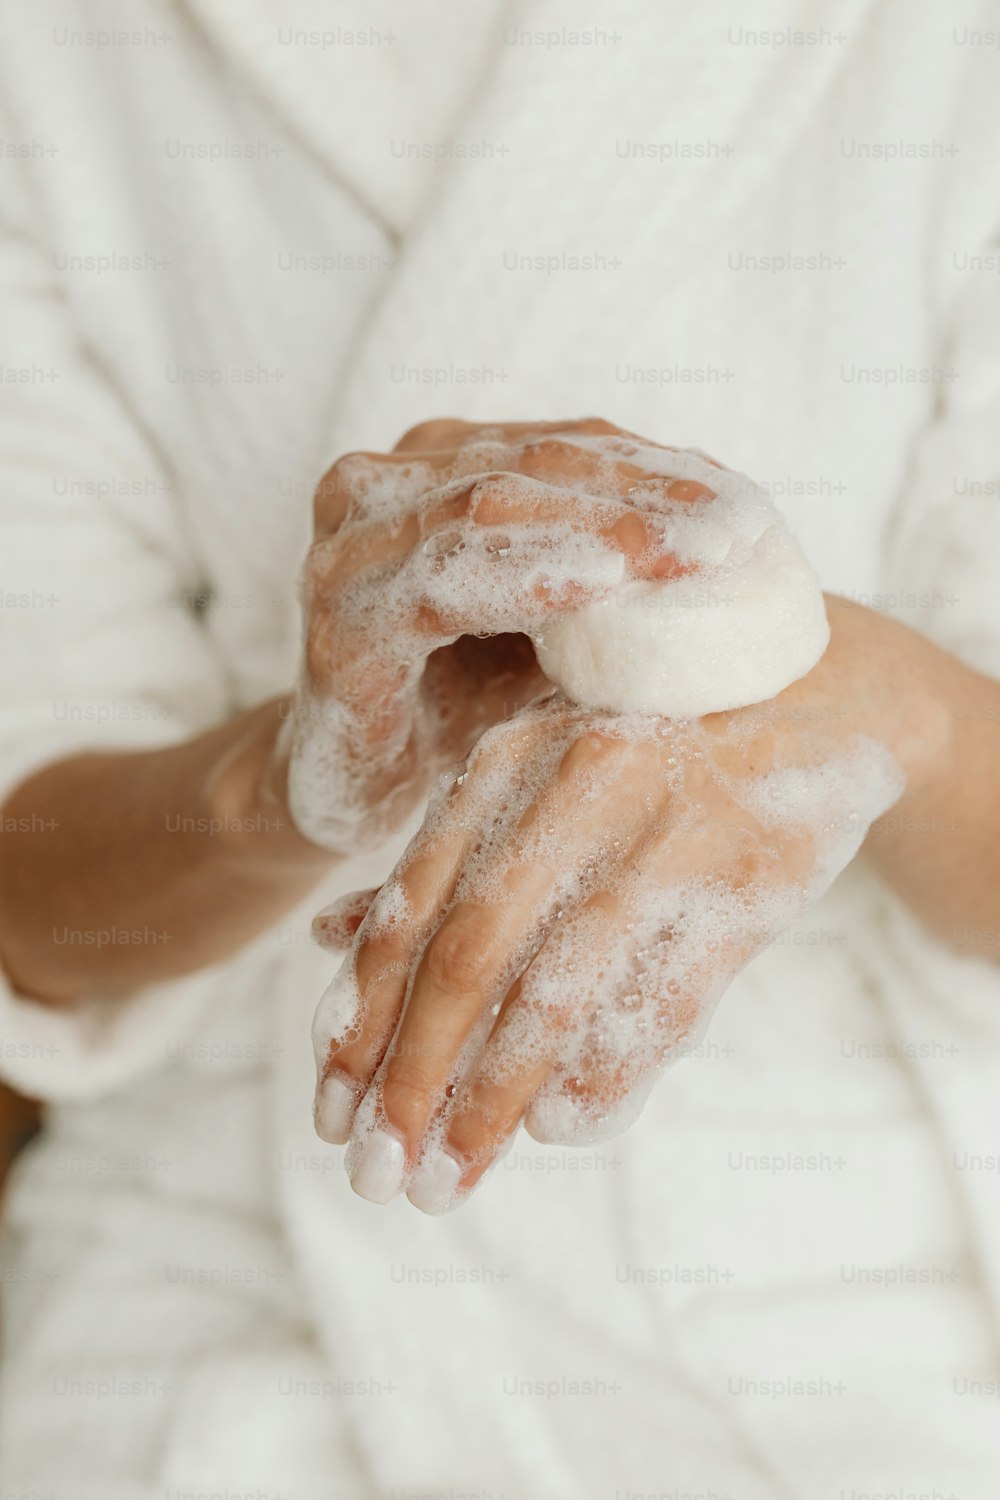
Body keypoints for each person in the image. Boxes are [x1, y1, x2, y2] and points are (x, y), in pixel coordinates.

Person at [1, 2, 999, 1497]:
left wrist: (873, 705)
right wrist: (294, 778)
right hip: (229, 1283)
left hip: (831, 1288)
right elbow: (35, 908)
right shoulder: (53, 58)